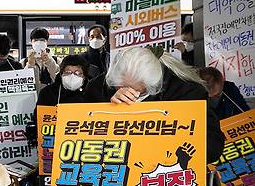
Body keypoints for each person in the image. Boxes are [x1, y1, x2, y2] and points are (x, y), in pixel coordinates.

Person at [84, 46, 225, 163]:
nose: (128, 93)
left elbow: (213, 148)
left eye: (138, 92)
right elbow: (81, 136)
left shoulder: (186, 91)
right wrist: (111, 110)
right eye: (119, 87)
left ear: (154, 87)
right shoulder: (98, 87)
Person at [23, 27, 59, 92]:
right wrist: (30, 65)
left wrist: (49, 61)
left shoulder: (56, 60)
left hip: (52, 99)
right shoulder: (24, 62)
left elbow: (59, 80)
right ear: (31, 42)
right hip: (30, 99)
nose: (39, 43)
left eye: (42, 40)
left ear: (47, 42)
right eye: (36, 40)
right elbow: (23, 83)